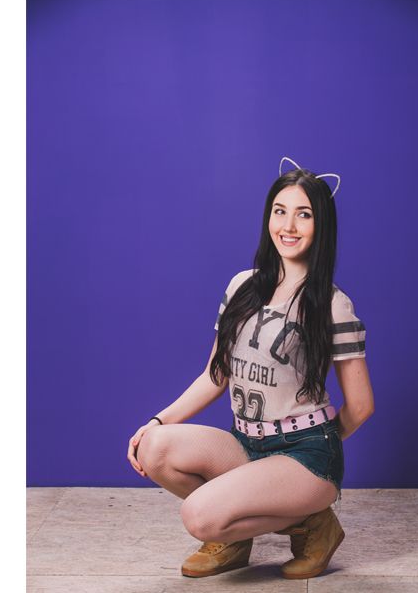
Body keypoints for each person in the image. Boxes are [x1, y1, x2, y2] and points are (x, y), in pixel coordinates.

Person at [126, 157, 375, 579]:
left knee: (198, 516)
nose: (289, 226)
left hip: (304, 454)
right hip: (246, 442)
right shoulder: (241, 286)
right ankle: (236, 537)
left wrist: (320, 444)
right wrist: (156, 420)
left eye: (304, 214)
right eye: (280, 211)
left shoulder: (333, 304)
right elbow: (215, 375)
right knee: (153, 449)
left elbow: (362, 405)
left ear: (321, 225)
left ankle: (314, 520)